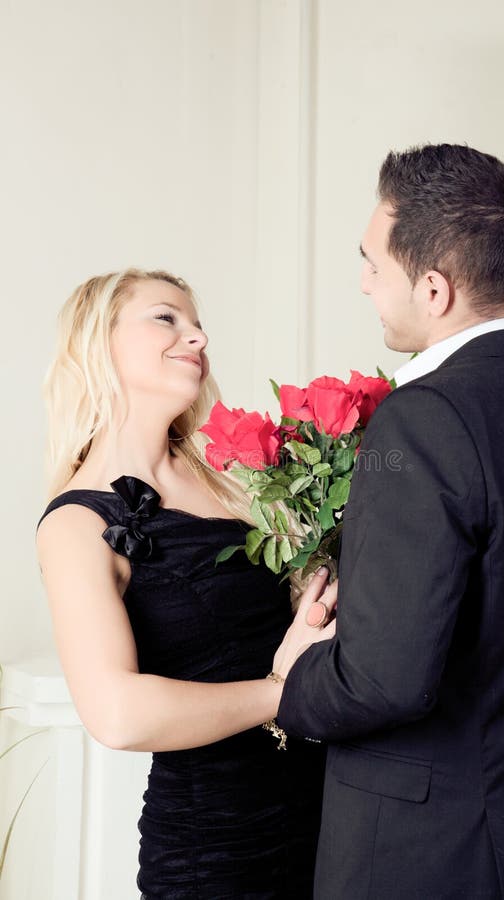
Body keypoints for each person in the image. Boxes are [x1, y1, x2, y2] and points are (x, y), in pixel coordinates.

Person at [274, 144, 504, 898]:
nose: (362, 281)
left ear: (433, 288)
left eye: (372, 263)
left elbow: (383, 680)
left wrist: (294, 676)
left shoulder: (425, 421)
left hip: (433, 854)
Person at [36, 268, 335, 899]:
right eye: (166, 318)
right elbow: (116, 714)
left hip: (326, 817)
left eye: (197, 324)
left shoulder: (236, 482)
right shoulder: (76, 523)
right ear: (100, 342)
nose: (196, 337)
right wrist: (280, 691)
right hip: (216, 852)